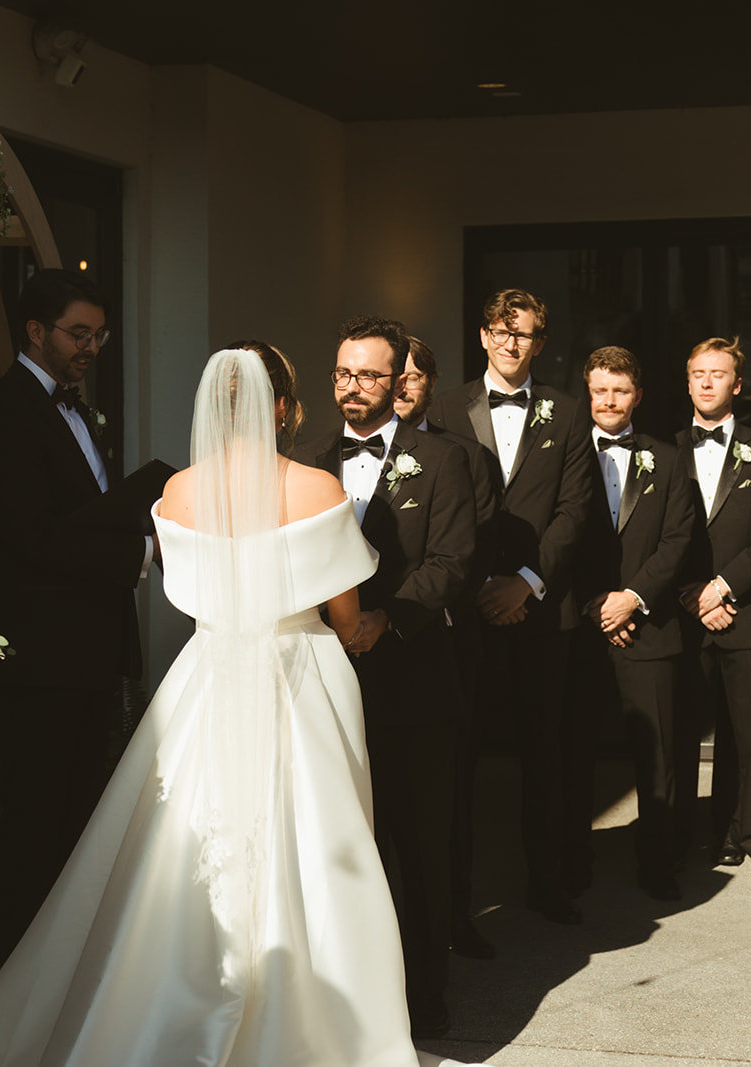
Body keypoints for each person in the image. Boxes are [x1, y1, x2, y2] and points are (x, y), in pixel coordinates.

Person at [0, 347, 488, 1067]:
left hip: (208, 671)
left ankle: (174, 992)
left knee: (185, 833)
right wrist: (349, 630)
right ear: (285, 408)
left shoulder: (176, 495)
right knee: (316, 839)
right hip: (303, 670)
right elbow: (346, 613)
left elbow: (185, 587)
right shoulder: (319, 487)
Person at [0, 269, 156, 953]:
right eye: (79, 333)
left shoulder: (72, 408)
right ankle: (19, 973)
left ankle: (62, 970)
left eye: (98, 335)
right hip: (43, 651)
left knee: (77, 815)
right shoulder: (7, 411)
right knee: (38, 818)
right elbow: (30, 534)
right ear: (36, 331)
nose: (91, 346)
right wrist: (133, 555)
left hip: (88, 646)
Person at [295, 317, 475, 1036]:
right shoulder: (306, 465)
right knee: (339, 848)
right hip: (325, 690)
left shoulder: (443, 460)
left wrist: (388, 618)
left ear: (399, 379)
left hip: (414, 684)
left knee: (419, 847)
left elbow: (453, 562)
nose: (351, 387)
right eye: (342, 372)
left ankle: (425, 997)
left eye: (368, 374)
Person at [427, 289, 594, 924]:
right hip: (466, 608)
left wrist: (525, 582)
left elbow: (575, 510)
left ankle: (547, 884)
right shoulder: (444, 408)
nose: (510, 343)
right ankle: (457, 898)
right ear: (482, 337)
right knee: (460, 755)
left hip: (541, 609)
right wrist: (477, 588)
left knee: (542, 753)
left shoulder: (569, 413)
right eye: (500, 332)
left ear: (540, 343)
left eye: (522, 334)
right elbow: (444, 512)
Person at [569, 346, 694, 900]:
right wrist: (593, 604)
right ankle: (571, 869)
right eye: (600, 390)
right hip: (581, 628)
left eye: (620, 390)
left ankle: (658, 865)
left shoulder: (668, 459)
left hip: (650, 629)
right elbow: (556, 536)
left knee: (658, 760)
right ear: (588, 394)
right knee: (574, 758)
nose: (610, 401)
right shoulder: (564, 455)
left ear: (637, 395)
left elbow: (678, 540)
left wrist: (632, 597)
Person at [393, 336, 503, 961]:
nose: (404, 385)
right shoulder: (328, 455)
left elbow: (475, 546)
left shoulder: (464, 454)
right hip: (356, 644)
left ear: (432, 383)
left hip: (444, 643)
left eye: (416, 375)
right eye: (396, 374)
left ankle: (452, 916)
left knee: (447, 797)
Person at [673, 337, 751, 887]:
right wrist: (693, 595)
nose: (706, 382)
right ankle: (717, 832)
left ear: (737, 385)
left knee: (750, 737)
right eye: (698, 373)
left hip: (748, 612)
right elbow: (655, 539)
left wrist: (722, 588)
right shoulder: (665, 449)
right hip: (685, 613)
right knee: (689, 737)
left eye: (717, 374)